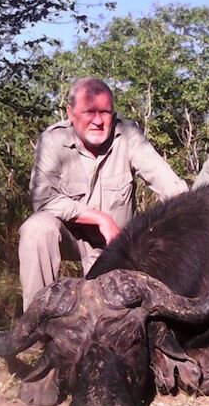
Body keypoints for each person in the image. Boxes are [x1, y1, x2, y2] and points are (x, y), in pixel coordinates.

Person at [19, 77, 188, 312]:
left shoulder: (128, 134)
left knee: (108, 319)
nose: (98, 121)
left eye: (105, 112)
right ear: (70, 113)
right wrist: (100, 218)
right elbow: (44, 199)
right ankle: (36, 323)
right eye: (89, 112)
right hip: (70, 238)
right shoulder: (53, 139)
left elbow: (171, 187)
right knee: (37, 229)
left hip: (116, 244)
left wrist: (188, 215)